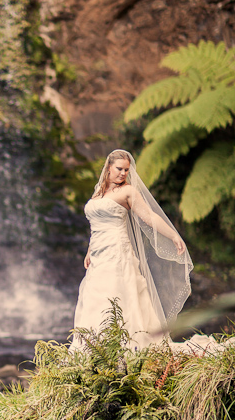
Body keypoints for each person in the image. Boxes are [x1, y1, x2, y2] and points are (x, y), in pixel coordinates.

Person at [70, 149, 193, 349]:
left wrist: (173, 235)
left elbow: (149, 216)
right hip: (99, 254)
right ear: (108, 167)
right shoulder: (98, 192)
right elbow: (97, 226)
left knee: (118, 293)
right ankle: (96, 348)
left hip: (118, 251)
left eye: (126, 170)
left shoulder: (128, 191)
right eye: (119, 169)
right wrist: (89, 251)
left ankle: (128, 347)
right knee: (95, 295)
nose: (123, 173)